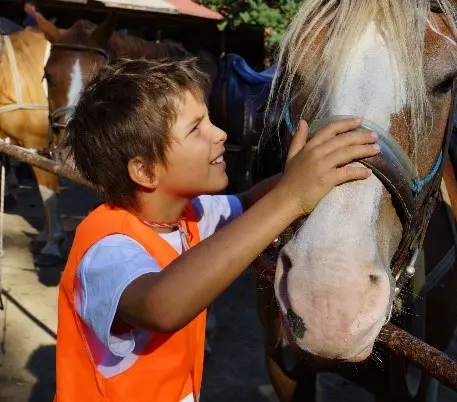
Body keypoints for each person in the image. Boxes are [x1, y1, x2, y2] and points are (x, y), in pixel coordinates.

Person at [54, 57, 379, 402]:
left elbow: (250, 204)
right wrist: (291, 197)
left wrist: (302, 173)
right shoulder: (106, 249)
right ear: (145, 172)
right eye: (196, 129)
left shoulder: (187, 216)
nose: (220, 133)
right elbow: (161, 307)